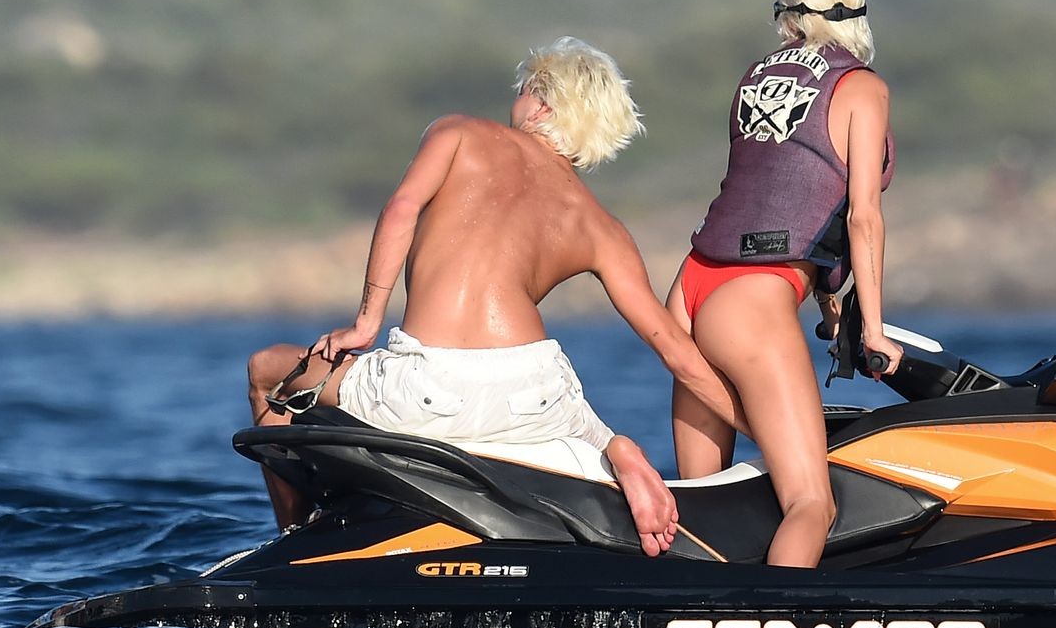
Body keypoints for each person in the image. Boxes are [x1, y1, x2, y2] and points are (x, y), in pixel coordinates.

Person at [245, 37, 740, 557]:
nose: (515, 101)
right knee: (586, 429)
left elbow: (401, 210)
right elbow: (677, 353)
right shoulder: (600, 224)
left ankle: (295, 545)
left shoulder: (458, 134)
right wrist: (770, 437)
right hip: (539, 395)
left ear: (542, 105)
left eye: (523, 90)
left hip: (429, 387)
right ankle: (611, 449)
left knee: (268, 372)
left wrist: (365, 322)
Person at [666, 0, 902, 568]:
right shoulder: (862, 86)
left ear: (788, 11)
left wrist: (827, 301)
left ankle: (694, 624)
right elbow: (861, 216)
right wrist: (874, 331)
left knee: (704, 505)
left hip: (689, 290)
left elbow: (780, 190)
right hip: (751, 301)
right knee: (811, 504)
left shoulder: (754, 77)